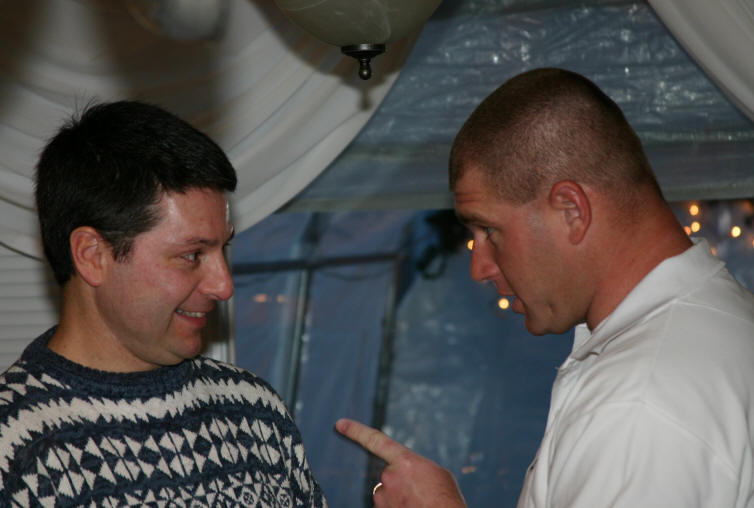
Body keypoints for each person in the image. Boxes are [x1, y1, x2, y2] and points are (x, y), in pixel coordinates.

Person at [336, 68, 754, 507]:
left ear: (571, 210)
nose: (479, 267)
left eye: (489, 230)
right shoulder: (717, 320)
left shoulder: (639, 404)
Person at [0, 100, 328, 507]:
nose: (224, 285)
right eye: (192, 255)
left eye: (223, 249)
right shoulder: (13, 450)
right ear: (92, 255)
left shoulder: (255, 412)